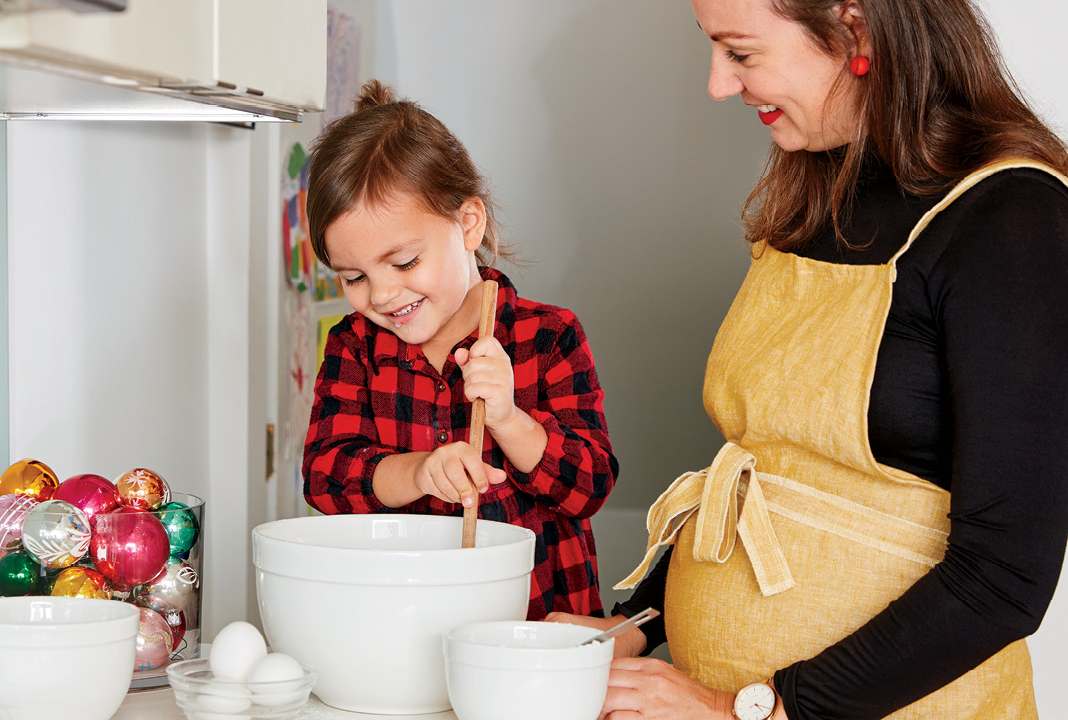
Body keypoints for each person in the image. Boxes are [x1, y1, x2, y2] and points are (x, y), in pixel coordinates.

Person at [548, 0, 1068, 718]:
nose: (718, 85)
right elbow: (769, 479)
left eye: (741, 52)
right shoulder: (819, 191)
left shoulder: (1012, 220)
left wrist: (753, 709)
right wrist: (637, 625)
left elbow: (1004, 579)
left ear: (854, 29)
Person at [301, 80, 620, 620]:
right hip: (406, 623)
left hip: (533, 628)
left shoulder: (549, 336)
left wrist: (510, 419)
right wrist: (420, 472)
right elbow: (325, 477)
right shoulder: (352, 346)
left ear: (468, 224)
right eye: (354, 277)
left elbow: (587, 486)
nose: (381, 295)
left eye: (403, 263)